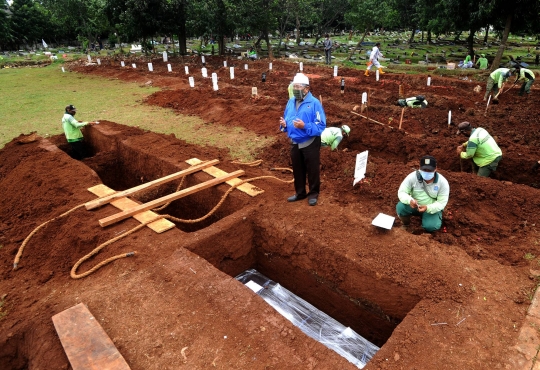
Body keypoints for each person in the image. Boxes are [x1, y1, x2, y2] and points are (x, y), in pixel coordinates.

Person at [279, 73, 326, 206]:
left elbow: (321, 125)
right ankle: (300, 193)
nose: (295, 89)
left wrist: (305, 126)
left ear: (307, 89)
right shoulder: (290, 101)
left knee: (312, 170)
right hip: (295, 141)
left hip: (310, 142)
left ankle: (313, 194)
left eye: (298, 86)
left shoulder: (315, 103)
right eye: (294, 86)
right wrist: (284, 125)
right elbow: (286, 119)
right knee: (297, 169)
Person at [396, 155, 450, 232]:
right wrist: (410, 200)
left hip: (431, 208)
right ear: (419, 168)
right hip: (414, 206)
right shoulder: (412, 177)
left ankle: (427, 228)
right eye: (424, 170)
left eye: (430, 170)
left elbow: (441, 202)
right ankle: (406, 225)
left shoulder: (442, 182)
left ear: (436, 168)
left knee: (431, 226)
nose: (426, 172)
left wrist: (428, 208)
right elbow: (402, 192)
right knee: (401, 207)